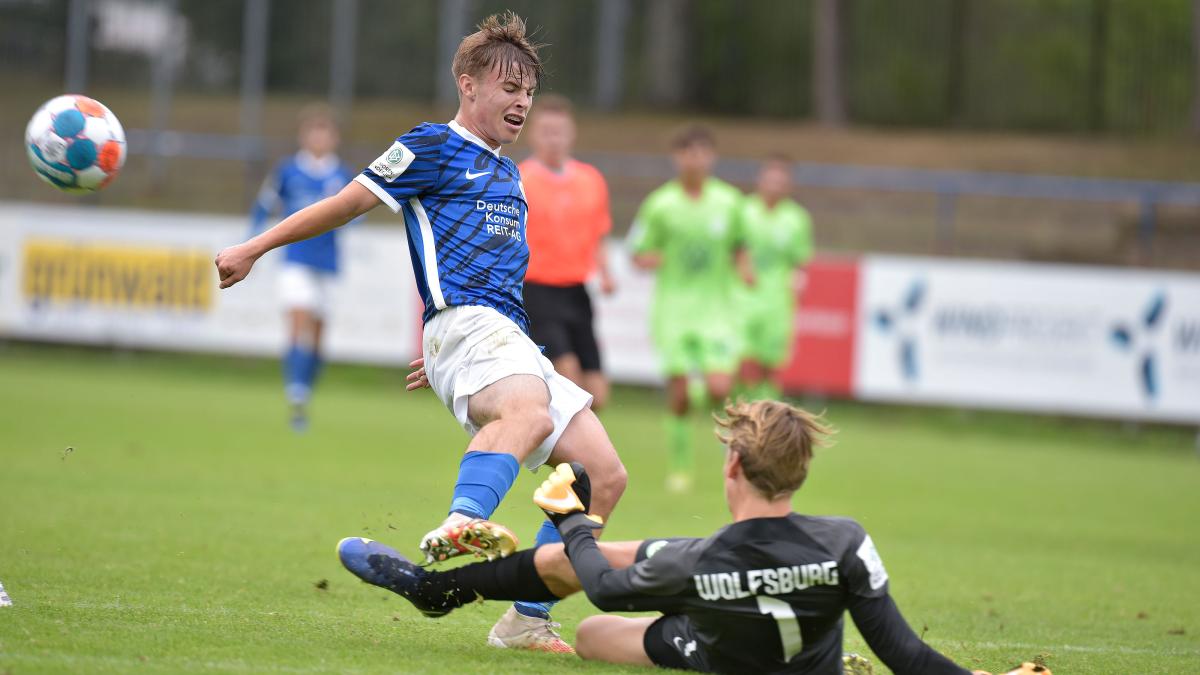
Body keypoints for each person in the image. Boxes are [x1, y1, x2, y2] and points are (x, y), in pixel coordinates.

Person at [215, 12, 627, 653]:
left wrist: (449, 360)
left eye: (529, 92)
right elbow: (346, 202)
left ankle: (525, 619)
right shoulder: (432, 146)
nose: (521, 102)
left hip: (498, 336)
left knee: (601, 473)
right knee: (529, 412)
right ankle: (464, 518)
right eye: (508, 88)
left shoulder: (507, 172)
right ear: (468, 85)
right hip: (469, 328)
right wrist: (256, 246)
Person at [335, 400, 1001, 674]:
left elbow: (601, 589)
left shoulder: (700, 560)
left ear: (733, 465)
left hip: (710, 641)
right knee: (629, 558)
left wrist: (571, 514)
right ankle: (436, 590)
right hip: (775, 633)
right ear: (799, 471)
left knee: (592, 629)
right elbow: (905, 652)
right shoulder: (846, 541)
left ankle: (436, 587)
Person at [627, 126, 749, 492]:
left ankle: (726, 447)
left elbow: (740, 246)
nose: (696, 159)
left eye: (702, 152)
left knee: (719, 387)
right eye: (688, 152)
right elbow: (637, 253)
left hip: (716, 310)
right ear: (677, 157)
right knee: (678, 395)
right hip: (674, 310)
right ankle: (680, 468)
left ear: (712, 157)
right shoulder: (660, 204)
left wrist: (745, 268)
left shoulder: (730, 202)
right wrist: (660, 258)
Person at [248, 105, 356, 431]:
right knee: (298, 322)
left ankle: (305, 392)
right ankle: (295, 396)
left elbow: (357, 211)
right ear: (304, 136)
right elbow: (264, 205)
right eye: (314, 131)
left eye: (325, 132)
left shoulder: (343, 175)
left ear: (334, 138)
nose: (320, 138)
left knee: (320, 337)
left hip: (328, 263)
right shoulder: (287, 171)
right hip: (294, 260)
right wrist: (250, 242)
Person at [519, 94, 615, 410]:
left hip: (576, 291)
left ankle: (568, 443)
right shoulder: (520, 179)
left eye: (559, 131)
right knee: (569, 379)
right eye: (546, 131)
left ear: (571, 134)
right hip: (537, 290)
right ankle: (565, 452)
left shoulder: (591, 180)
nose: (553, 139)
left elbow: (598, 232)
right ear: (533, 134)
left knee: (597, 395)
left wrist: (606, 272)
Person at [734, 154, 814, 401]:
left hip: (777, 301)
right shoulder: (741, 211)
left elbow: (800, 261)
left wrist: (798, 279)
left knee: (770, 368)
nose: (775, 185)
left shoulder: (797, 219)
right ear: (760, 179)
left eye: (781, 180)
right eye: (771, 179)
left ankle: (767, 426)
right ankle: (739, 418)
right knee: (741, 364)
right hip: (742, 298)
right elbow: (731, 250)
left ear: (789, 184)